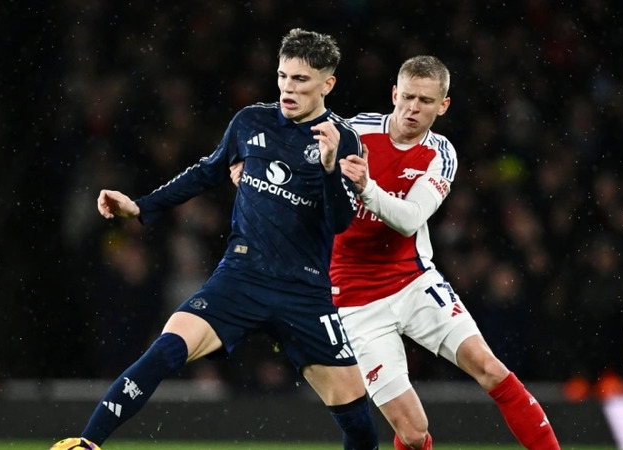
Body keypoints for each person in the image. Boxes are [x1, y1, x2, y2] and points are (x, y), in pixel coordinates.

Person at [60, 28, 379, 450]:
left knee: (358, 422)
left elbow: (340, 222)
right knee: (166, 349)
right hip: (241, 277)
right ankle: (85, 444)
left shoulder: (343, 139)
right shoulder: (250, 121)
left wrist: (330, 167)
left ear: (327, 84)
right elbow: (206, 172)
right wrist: (140, 207)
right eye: (283, 76)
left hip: (303, 290)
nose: (288, 88)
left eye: (301, 79)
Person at [233, 55, 560, 450]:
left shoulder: (440, 154)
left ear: (443, 106)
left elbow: (409, 218)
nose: (412, 108)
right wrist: (252, 174)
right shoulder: (353, 133)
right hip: (353, 303)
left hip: (413, 282)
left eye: (425, 101)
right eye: (407, 97)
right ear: (393, 94)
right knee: (413, 433)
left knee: (490, 368)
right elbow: (291, 164)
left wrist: (367, 188)